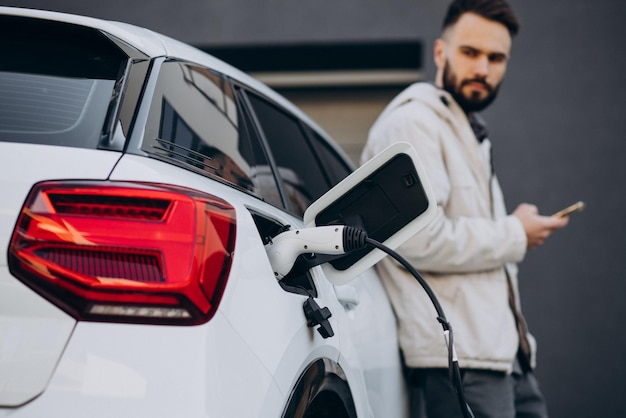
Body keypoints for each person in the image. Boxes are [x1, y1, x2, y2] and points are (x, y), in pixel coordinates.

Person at [360, 0, 569, 417]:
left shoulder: (466, 130)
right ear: (440, 53)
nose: (482, 69)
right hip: (459, 360)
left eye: (496, 58)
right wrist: (515, 233)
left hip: (503, 355)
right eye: (470, 53)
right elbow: (415, 239)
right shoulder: (414, 124)